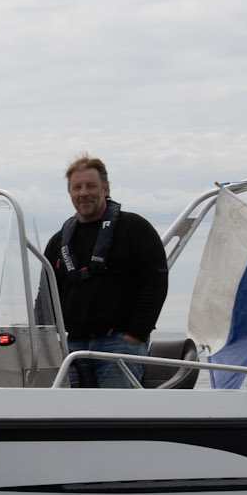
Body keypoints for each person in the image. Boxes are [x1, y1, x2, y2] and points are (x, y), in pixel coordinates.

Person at [41, 154, 169, 388]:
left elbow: (156, 281)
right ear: (70, 192)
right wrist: (45, 342)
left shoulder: (134, 228)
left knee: (119, 418)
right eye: (77, 187)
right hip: (72, 348)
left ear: (106, 189)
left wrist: (136, 335)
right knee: (71, 419)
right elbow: (45, 296)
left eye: (91, 186)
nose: (84, 193)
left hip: (119, 345)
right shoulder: (58, 242)